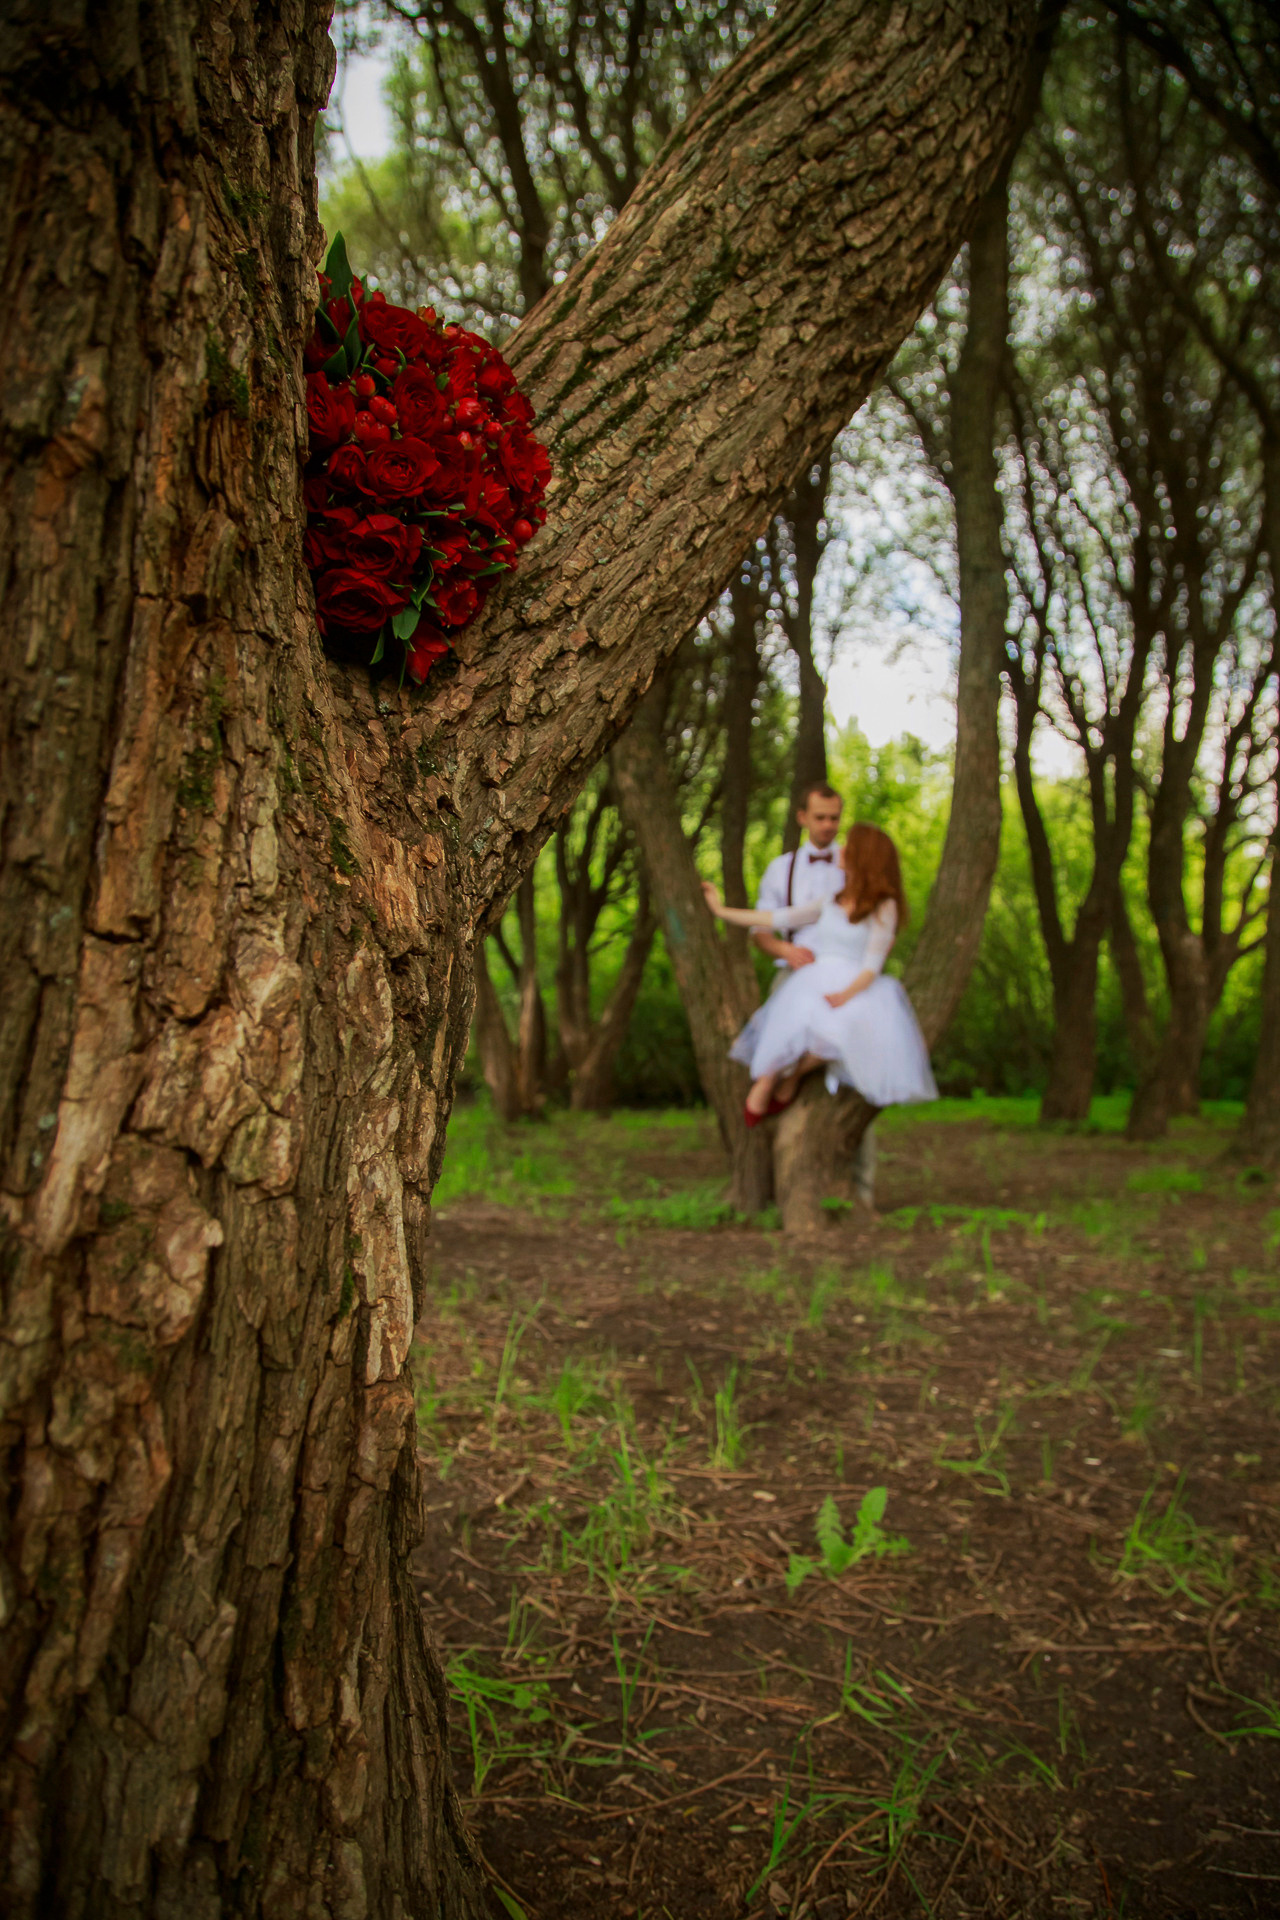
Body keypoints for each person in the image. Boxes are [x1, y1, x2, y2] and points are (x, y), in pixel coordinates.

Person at [702, 822, 937, 1134]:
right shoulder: (831, 900)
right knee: (794, 1019)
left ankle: (792, 1077)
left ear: (863, 857)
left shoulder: (884, 906)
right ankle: (770, 1078)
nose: (840, 850)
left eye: (848, 847)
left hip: (857, 987)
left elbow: (872, 966)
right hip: (815, 978)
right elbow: (776, 918)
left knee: (838, 1030)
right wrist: (720, 911)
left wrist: (846, 995)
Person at [751, 782, 877, 1206]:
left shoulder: (853, 864)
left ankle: (861, 1191)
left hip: (845, 981)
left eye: (834, 818)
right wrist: (785, 948)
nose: (828, 826)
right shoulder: (780, 869)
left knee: (857, 1075)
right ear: (802, 817)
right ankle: (772, 1186)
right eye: (819, 817)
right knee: (768, 1055)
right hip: (794, 977)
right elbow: (761, 930)